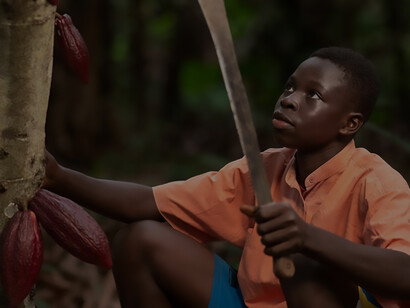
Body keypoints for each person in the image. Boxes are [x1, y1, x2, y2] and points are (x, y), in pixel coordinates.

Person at [43, 47, 410, 308]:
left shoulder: (376, 181)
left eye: (312, 95)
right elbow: (150, 203)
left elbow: (404, 272)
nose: (289, 100)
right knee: (141, 240)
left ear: (350, 124)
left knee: (302, 266)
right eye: (290, 87)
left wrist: (307, 238)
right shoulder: (264, 167)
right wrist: (58, 177)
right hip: (251, 303)